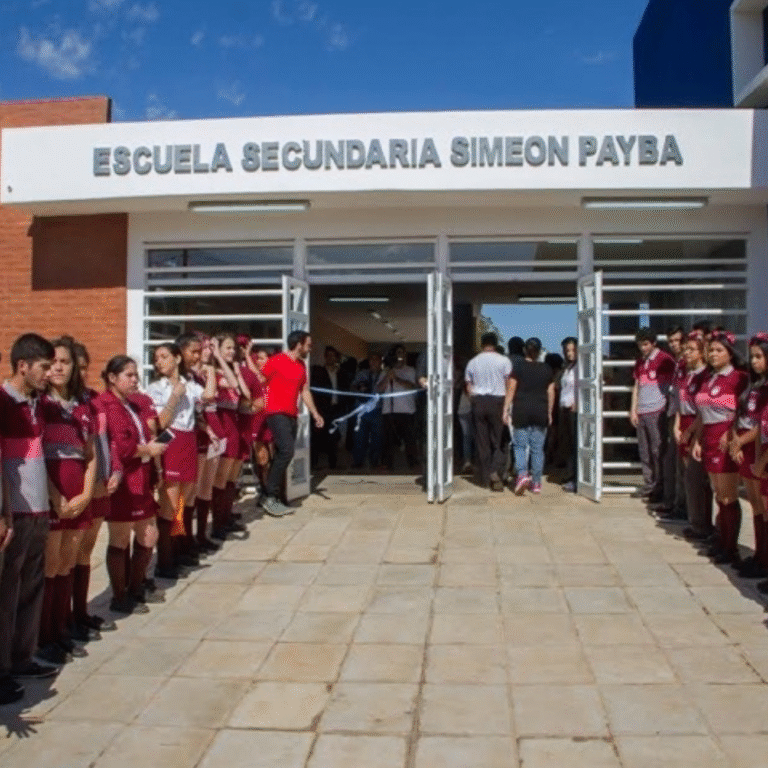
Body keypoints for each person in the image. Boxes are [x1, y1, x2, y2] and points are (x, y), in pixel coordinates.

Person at [0, 334, 58, 705]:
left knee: (31, 587)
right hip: (15, 515)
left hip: (38, 511)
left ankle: (23, 657)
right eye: (44, 367)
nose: (49, 373)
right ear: (23, 366)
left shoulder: (36, 404)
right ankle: (2, 668)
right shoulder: (3, 403)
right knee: (7, 594)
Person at [38, 336, 97, 666]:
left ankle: (61, 630)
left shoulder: (83, 406)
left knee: (67, 563)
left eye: (65, 362)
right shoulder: (41, 405)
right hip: (51, 495)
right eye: (53, 362)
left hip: (78, 494)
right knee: (50, 564)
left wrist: (86, 493)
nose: (58, 367)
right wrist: (56, 497)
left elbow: (91, 454)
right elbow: (34, 455)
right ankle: (43, 637)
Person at [99, 356, 167, 614]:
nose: (135, 379)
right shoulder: (109, 405)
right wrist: (148, 449)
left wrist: (154, 463)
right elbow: (123, 447)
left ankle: (136, 587)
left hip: (141, 476)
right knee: (120, 538)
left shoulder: (131, 404)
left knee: (149, 534)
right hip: (124, 480)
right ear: (112, 378)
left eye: (136, 374)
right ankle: (120, 596)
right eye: (128, 375)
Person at [148, 342, 213, 579]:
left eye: (164, 356)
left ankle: (178, 551)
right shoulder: (156, 388)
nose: (159, 362)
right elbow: (159, 423)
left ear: (177, 358)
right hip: (171, 439)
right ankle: (164, 561)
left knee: (183, 503)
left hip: (188, 440)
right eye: (156, 358)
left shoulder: (189, 384)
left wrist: (211, 370)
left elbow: (208, 396)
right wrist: (175, 397)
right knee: (170, 503)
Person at [70, 343, 117, 640]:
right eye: (77, 367)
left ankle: (81, 612)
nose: (81, 373)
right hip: (79, 485)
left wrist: (115, 471)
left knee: (86, 551)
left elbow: (108, 439)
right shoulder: (64, 404)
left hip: (102, 482)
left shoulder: (94, 399)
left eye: (85, 367)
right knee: (69, 554)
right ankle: (64, 619)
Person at [691, 331, 749, 564]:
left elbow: (744, 410)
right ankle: (721, 540)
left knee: (728, 495)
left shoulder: (738, 378)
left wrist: (732, 433)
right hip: (709, 437)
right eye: (711, 350)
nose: (713, 354)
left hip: (726, 438)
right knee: (718, 494)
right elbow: (702, 413)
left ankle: (730, 548)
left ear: (730, 354)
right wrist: (698, 439)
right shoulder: (709, 378)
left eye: (719, 350)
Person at [260, 331, 323, 517]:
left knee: (282, 454)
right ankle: (270, 496)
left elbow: (304, 391)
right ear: (299, 344)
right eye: (308, 345)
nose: (310, 349)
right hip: (275, 412)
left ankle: (271, 494)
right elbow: (260, 382)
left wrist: (315, 413)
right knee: (287, 451)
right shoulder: (276, 361)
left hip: (291, 414)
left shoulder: (301, 365)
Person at [729, 334, 768, 577]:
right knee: (755, 503)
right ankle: (759, 555)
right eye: (752, 357)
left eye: (759, 357)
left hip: (758, 447)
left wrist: (741, 442)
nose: (754, 361)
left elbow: (761, 426)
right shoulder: (753, 385)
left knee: (763, 505)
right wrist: (736, 439)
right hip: (748, 446)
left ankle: (764, 560)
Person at [673, 332, 713, 542]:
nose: (686, 353)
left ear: (701, 352)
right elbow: (680, 403)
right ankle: (695, 521)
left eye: (691, 349)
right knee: (689, 477)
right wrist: (677, 425)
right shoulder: (686, 373)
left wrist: (691, 432)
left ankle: (702, 525)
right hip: (684, 422)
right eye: (685, 349)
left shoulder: (705, 375)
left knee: (697, 478)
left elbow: (703, 408)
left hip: (697, 425)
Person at [629, 328, 676, 503]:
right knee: (645, 451)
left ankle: (660, 486)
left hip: (657, 411)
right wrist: (633, 409)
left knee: (658, 450)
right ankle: (649, 484)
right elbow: (637, 386)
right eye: (640, 345)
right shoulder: (640, 362)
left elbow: (672, 387)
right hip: (642, 411)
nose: (643, 348)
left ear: (654, 343)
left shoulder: (665, 360)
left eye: (646, 344)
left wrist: (667, 408)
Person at [504, 337, 555, 495]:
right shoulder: (547, 369)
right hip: (540, 411)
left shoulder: (518, 367)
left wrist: (505, 409)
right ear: (539, 352)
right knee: (537, 449)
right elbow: (551, 392)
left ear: (525, 350)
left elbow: (511, 390)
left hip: (521, 411)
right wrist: (549, 412)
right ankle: (537, 483)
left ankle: (522, 475)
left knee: (520, 446)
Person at [210, 333, 248, 539]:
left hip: (234, 421)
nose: (232, 352)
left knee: (231, 475)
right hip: (221, 420)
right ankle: (217, 523)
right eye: (228, 348)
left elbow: (244, 393)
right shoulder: (212, 372)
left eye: (234, 348)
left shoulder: (232, 369)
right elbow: (232, 384)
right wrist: (218, 357)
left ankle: (226, 516)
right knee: (220, 477)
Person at [465, 333, 512, 490]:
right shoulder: (504, 361)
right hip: (498, 401)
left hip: (479, 402)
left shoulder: (473, 362)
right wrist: (507, 406)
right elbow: (508, 384)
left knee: (482, 441)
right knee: (499, 441)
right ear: (496, 344)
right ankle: (495, 471)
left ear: (482, 344)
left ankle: (485, 477)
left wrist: (475, 401)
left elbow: (469, 386)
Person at [658, 325, 687, 518]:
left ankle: (681, 508)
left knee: (681, 467)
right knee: (671, 462)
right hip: (673, 415)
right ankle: (673, 503)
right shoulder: (676, 363)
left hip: (684, 419)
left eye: (678, 340)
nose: (675, 344)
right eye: (671, 341)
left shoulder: (687, 363)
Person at [378, 344, 420, 473]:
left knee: (410, 439)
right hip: (389, 410)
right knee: (388, 440)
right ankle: (387, 464)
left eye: (402, 353)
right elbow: (379, 389)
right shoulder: (386, 371)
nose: (400, 356)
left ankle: (413, 463)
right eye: (398, 353)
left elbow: (412, 386)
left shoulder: (410, 370)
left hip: (407, 410)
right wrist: (387, 377)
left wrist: (396, 378)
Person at [311, 346, 350, 470]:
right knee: (317, 436)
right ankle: (313, 464)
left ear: (336, 358)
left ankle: (333, 464)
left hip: (336, 409)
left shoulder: (341, 373)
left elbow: (345, 389)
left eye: (333, 356)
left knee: (333, 437)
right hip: (323, 409)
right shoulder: (319, 371)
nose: (330, 358)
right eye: (328, 355)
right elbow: (315, 389)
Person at [350, 352, 384, 470]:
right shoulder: (362, 374)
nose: (373, 362)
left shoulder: (384, 374)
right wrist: (359, 389)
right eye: (371, 359)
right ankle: (358, 462)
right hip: (361, 409)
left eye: (376, 359)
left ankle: (374, 462)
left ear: (380, 361)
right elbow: (352, 387)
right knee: (359, 437)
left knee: (376, 438)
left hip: (377, 409)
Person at [556, 337, 578, 492]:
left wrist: (579, 403)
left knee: (576, 445)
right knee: (568, 444)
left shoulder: (581, 368)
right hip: (564, 409)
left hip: (574, 410)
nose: (569, 353)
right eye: (566, 350)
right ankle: (571, 475)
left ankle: (577, 478)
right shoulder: (567, 368)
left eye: (572, 350)